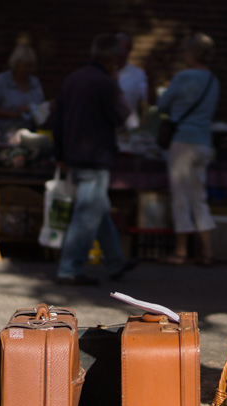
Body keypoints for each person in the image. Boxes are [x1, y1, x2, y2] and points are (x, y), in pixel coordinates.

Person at [53, 33, 136, 285]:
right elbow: (127, 119)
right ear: (112, 58)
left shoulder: (73, 79)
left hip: (75, 155)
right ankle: (69, 268)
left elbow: (57, 120)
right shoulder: (105, 83)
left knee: (97, 210)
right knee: (88, 213)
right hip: (95, 157)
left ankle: (115, 262)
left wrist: (59, 154)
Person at [157, 32, 220, 266]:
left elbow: (162, 104)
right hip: (204, 142)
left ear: (191, 53)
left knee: (180, 197)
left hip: (183, 141)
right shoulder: (213, 80)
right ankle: (207, 251)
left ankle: (181, 251)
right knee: (199, 196)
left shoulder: (184, 77)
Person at [0, 43, 45, 135]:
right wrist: (14, 114)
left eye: (30, 66)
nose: (27, 69)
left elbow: (40, 107)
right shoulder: (1, 80)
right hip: (3, 134)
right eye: (24, 66)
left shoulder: (35, 82)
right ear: (16, 64)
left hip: (28, 135)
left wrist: (45, 108)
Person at [115, 32, 148, 131]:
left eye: (124, 49)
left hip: (129, 129)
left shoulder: (138, 74)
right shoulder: (101, 73)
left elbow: (147, 102)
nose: (120, 52)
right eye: (118, 48)